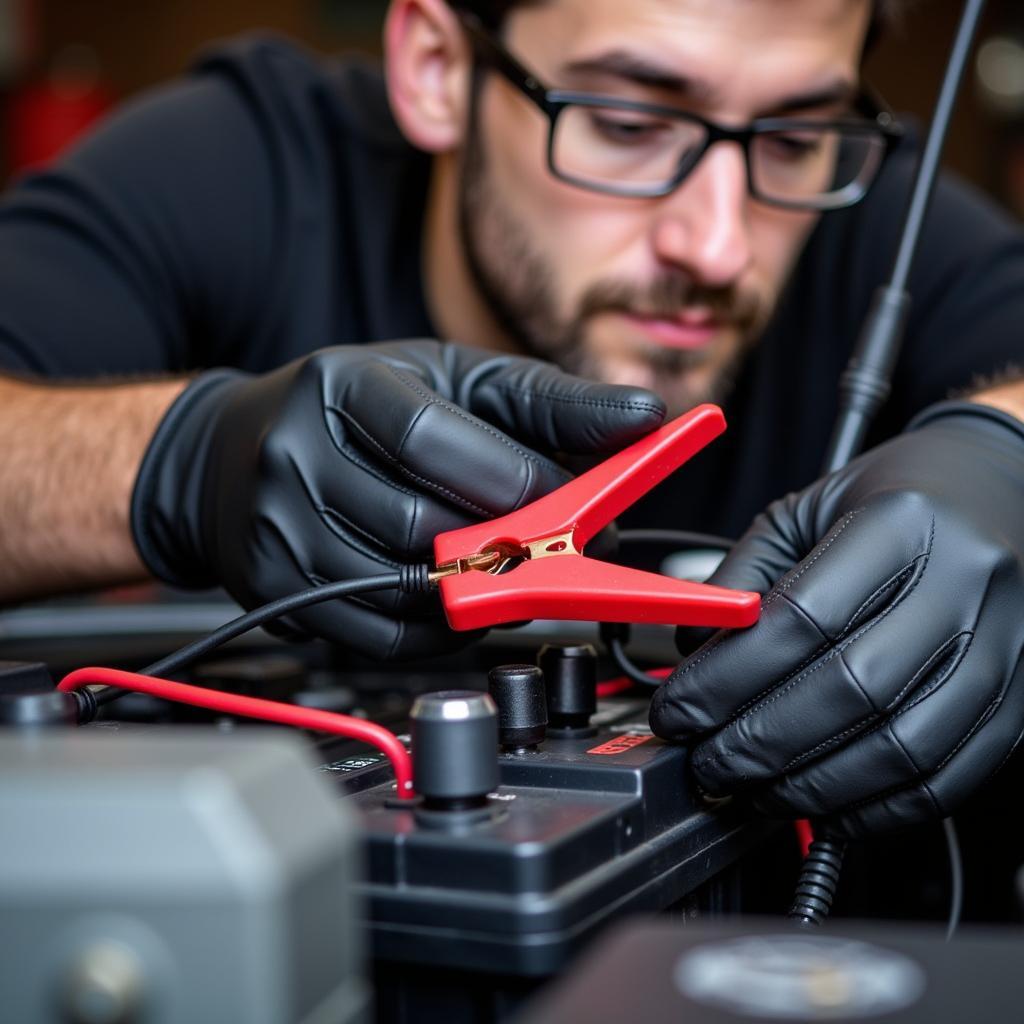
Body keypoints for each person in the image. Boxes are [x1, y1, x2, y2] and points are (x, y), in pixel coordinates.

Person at [0, 0, 1023, 838]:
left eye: (795, 135)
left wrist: (1002, 457)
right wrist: (180, 457)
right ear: (439, 67)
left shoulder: (868, 217)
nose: (716, 246)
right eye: (628, 122)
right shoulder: (240, 159)